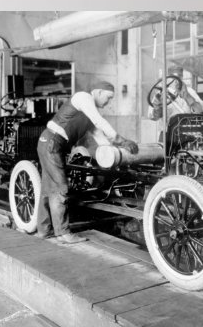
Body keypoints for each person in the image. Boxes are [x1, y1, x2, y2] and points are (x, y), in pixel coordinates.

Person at [36, 81, 138, 244]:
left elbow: (101, 139)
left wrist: (117, 154)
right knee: (60, 188)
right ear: (97, 92)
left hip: (50, 142)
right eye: (108, 97)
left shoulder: (88, 114)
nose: (109, 102)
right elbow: (99, 121)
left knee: (48, 189)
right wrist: (121, 139)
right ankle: (63, 233)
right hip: (53, 142)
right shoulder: (83, 97)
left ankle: (43, 230)